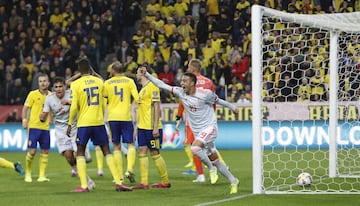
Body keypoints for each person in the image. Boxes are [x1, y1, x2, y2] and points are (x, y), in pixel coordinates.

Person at [137, 66, 240, 194]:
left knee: (195, 148)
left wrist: (233, 107)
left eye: (184, 81)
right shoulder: (180, 92)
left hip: (210, 127)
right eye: (181, 81)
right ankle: (233, 181)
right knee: (215, 158)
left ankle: (210, 168)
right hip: (198, 131)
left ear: (192, 83)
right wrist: (147, 74)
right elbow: (161, 84)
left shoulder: (205, 94)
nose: (182, 83)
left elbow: (219, 101)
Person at [66, 58, 132, 192]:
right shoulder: (100, 82)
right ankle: (119, 182)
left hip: (84, 123)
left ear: (79, 70)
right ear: (90, 69)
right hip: (99, 122)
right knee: (106, 150)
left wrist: (69, 124)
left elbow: (73, 107)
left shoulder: (76, 84)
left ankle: (84, 185)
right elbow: (103, 102)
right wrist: (101, 116)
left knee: (80, 151)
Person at [177, 59, 229, 183]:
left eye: (189, 67)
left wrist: (178, 116)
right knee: (209, 146)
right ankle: (221, 166)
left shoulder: (188, 82)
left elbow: (182, 100)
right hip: (207, 118)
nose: (188, 69)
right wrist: (212, 115)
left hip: (193, 119)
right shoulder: (208, 82)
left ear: (193, 68)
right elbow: (214, 100)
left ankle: (201, 174)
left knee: (194, 146)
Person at [39, 77, 95, 190]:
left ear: (65, 87)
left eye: (60, 86)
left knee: (78, 154)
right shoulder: (49, 99)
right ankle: (87, 179)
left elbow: (82, 106)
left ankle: (85, 158)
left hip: (75, 128)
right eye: (56, 87)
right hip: (60, 131)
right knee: (69, 157)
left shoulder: (71, 94)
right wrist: (42, 117)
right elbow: (44, 115)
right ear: (53, 88)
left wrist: (69, 102)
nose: (59, 89)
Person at [131, 66, 171, 190]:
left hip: (151, 127)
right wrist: (137, 127)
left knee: (155, 153)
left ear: (142, 73)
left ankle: (165, 181)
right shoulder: (142, 89)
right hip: (142, 127)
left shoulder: (152, 86)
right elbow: (141, 110)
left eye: (137, 72)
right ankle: (144, 183)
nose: (136, 75)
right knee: (141, 152)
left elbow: (157, 107)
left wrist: (155, 127)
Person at [103, 61, 139, 183]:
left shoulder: (107, 83)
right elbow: (137, 98)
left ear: (113, 70)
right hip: (126, 117)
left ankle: (119, 176)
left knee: (117, 146)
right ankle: (129, 169)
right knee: (130, 144)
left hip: (112, 117)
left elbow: (104, 99)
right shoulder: (129, 81)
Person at [22, 73, 51, 183]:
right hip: (34, 126)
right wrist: (25, 120)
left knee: (45, 151)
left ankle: (42, 176)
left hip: (46, 128)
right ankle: (28, 172)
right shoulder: (32, 94)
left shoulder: (51, 95)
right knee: (32, 151)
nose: (43, 83)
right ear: (38, 83)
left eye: (44, 81)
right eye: (40, 81)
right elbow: (25, 108)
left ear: (48, 83)